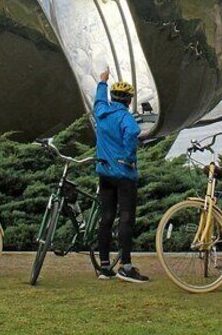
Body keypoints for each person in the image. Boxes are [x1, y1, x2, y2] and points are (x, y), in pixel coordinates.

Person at [94, 68, 147, 283]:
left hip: (104, 173)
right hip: (124, 174)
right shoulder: (125, 118)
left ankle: (104, 267)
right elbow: (133, 133)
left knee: (106, 218)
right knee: (125, 217)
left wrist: (102, 81)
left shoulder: (101, 112)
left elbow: (98, 99)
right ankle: (126, 266)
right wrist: (128, 156)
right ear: (128, 101)